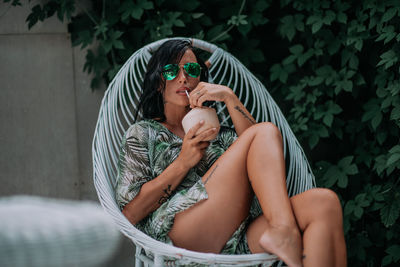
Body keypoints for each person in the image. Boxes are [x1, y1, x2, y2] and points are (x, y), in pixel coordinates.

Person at [115, 39, 346, 267]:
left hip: (237, 237)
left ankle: (281, 229)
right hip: (178, 238)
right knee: (264, 131)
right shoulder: (143, 133)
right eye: (171, 70)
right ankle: (282, 229)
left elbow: (259, 147)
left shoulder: (221, 133)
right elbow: (130, 214)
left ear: (200, 80)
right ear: (158, 82)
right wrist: (182, 162)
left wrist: (228, 96)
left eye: (192, 69)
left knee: (324, 203)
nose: (183, 77)